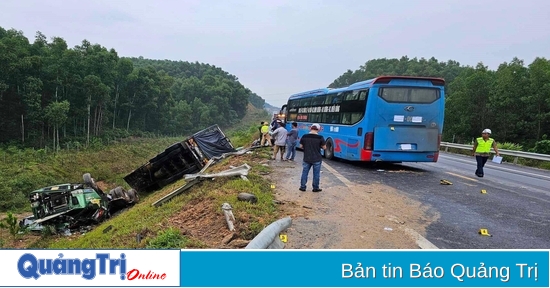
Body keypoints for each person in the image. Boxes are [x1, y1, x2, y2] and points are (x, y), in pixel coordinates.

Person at [299, 123, 326, 192]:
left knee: (305, 172)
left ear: (310, 128)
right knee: (316, 174)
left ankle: (302, 187)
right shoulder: (320, 137)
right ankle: (315, 188)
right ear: (318, 130)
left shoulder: (305, 136)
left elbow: (301, 146)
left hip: (307, 158)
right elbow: (324, 147)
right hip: (317, 158)